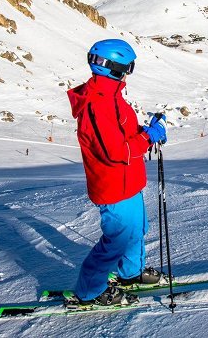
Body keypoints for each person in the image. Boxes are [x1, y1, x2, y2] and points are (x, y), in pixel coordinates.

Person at [66, 38, 168, 307]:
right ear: (117, 67)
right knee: (116, 241)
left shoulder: (111, 96)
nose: (129, 72)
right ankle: (90, 291)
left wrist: (146, 131)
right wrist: (147, 139)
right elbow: (116, 151)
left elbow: (123, 135)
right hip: (113, 185)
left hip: (128, 181)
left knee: (137, 230)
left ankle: (130, 273)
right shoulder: (98, 105)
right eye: (129, 67)